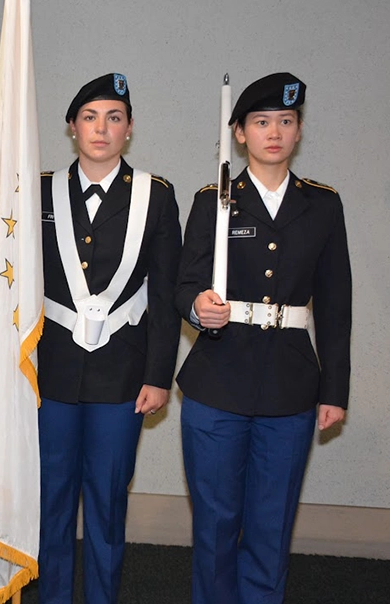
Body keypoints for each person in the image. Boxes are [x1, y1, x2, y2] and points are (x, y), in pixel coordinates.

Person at [175, 73, 351, 604]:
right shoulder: (215, 200)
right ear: (239, 133)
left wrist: (334, 390)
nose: (274, 131)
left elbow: (337, 304)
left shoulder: (322, 204)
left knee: (271, 529)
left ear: (298, 132)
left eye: (286, 121)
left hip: (290, 385)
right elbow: (186, 282)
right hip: (216, 384)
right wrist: (197, 306)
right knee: (214, 527)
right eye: (261, 121)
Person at [37, 73, 182, 604]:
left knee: (106, 502)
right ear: (72, 127)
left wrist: (158, 376)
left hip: (123, 376)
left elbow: (166, 294)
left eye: (114, 118)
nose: (102, 128)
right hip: (50, 373)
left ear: (130, 129)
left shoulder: (156, 196)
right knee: (50, 501)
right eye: (90, 117)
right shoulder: (39, 189)